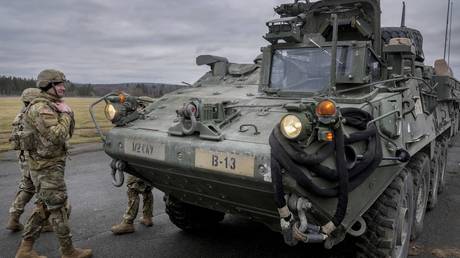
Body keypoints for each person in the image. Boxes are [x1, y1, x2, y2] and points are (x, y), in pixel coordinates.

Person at [15, 69, 92, 258]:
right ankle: (68, 251)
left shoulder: (49, 105)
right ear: (48, 86)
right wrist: (66, 114)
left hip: (47, 165)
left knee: (44, 206)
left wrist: (63, 111)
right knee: (59, 207)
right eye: (58, 84)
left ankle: (25, 249)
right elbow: (57, 135)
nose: (63, 87)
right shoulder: (41, 108)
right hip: (46, 167)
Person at [6, 88, 53, 233]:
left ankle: (14, 218)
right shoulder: (34, 115)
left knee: (27, 187)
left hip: (23, 157)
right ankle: (43, 222)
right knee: (43, 188)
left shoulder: (20, 115)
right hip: (34, 158)